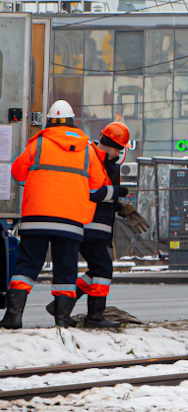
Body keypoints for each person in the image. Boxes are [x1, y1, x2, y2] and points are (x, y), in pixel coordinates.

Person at [2, 101, 106, 329]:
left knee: (27, 265)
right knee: (66, 267)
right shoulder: (87, 147)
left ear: (49, 120)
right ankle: (62, 318)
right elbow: (97, 185)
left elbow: (18, 173)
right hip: (71, 220)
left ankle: (13, 316)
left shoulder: (38, 143)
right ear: (72, 121)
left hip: (36, 216)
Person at [54, 122, 131, 329]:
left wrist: (117, 204)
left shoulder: (99, 158)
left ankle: (62, 305)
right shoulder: (96, 159)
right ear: (112, 145)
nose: (119, 154)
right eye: (119, 149)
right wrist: (117, 193)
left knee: (97, 268)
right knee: (103, 268)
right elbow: (92, 191)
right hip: (90, 226)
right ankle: (94, 316)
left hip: (93, 226)